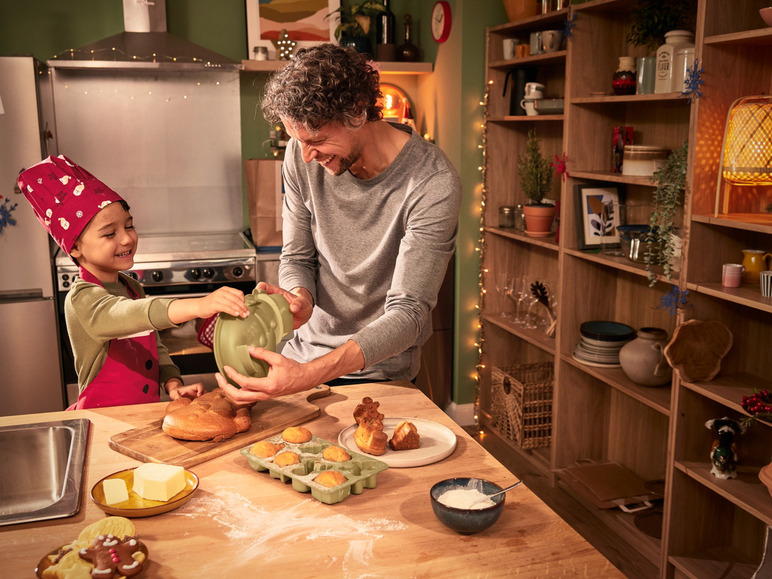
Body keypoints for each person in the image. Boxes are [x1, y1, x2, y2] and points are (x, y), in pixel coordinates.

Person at [216, 44, 461, 403]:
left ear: (358, 112)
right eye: (297, 141)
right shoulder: (302, 156)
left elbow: (408, 314)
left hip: (380, 378)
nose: (307, 156)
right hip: (302, 362)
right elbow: (297, 257)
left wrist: (309, 374)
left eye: (316, 140)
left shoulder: (431, 182)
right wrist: (301, 297)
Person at [18, 155, 249, 409]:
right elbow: (129, 314)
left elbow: (154, 346)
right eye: (110, 233)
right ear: (74, 247)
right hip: (101, 418)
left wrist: (172, 382)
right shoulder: (82, 298)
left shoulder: (132, 286)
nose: (127, 239)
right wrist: (197, 305)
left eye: (129, 226)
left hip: (140, 414)